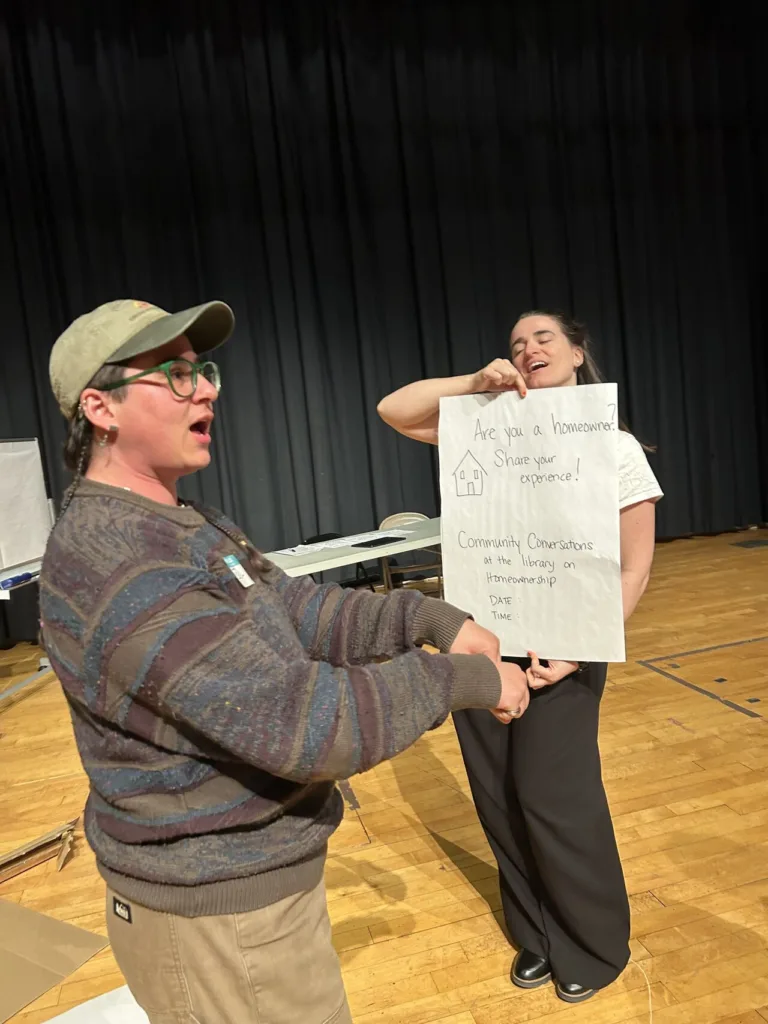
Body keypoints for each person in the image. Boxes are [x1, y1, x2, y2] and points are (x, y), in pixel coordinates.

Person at [39, 298, 533, 1024]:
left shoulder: (182, 521)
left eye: (202, 369)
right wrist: (467, 679)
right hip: (220, 923)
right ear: (99, 407)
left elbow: (297, 611)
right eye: (174, 374)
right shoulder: (120, 562)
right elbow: (306, 724)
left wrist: (430, 617)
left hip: (245, 900)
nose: (207, 387)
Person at [377, 310, 663, 1004]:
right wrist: (476, 383)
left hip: (564, 646)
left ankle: (593, 945)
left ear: (575, 353)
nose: (528, 349)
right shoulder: (486, 426)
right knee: (500, 797)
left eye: (543, 338)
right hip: (482, 641)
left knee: (554, 800)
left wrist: (577, 647)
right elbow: (394, 408)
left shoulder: (614, 447)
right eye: (515, 343)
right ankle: (536, 934)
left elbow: (633, 568)